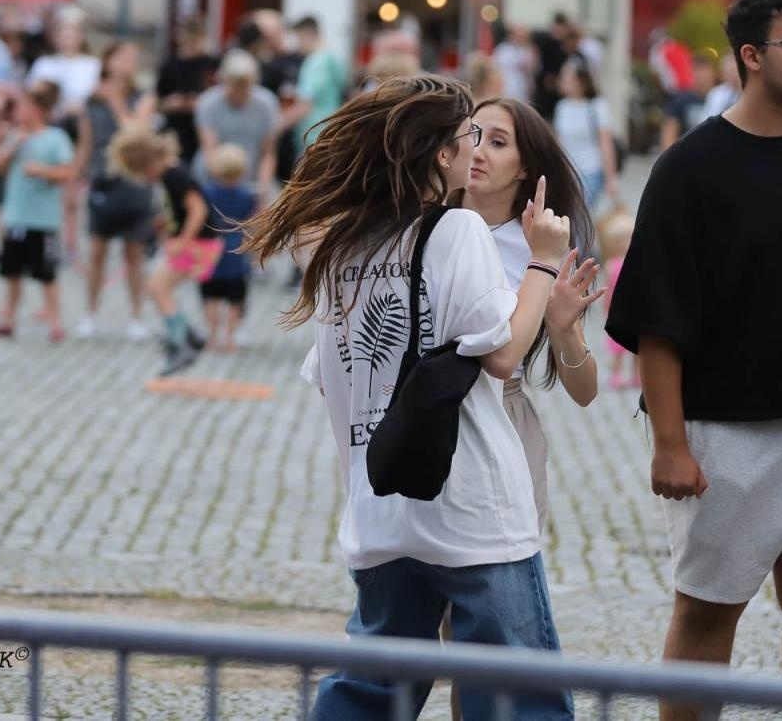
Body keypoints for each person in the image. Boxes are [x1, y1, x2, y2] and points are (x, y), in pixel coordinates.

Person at [244, 74, 574, 721]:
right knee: (515, 701)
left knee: (370, 694)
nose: (474, 147)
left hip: (381, 507)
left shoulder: (343, 247)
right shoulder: (457, 231)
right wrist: (542, 261)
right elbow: (503, 352)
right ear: (443, 156)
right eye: (468, 136)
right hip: (472, 509)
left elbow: (329, 375)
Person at [605, 0, 782, 721]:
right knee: (703, 621)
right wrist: (669, 444)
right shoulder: (690, 168)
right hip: (727, 434)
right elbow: (660, 320)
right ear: (751, 56)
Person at [463, 96, 601, 527]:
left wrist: (563, 329)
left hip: (502, 416)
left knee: (503, 576)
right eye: (472, 135)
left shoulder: (540, 246)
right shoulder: (424, 224)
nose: (479, 149)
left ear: (524, 167)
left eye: (498, 142)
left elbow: (585, 390)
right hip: (426, 412)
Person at [108, 125, 212, 376]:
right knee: (157, 286)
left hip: (200, 243)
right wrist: (168, 225)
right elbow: (182, 209)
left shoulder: (174, 175)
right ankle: (188, 334)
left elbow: (198, 209)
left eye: (142, 172)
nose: (145, 178)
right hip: (197, 241)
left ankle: (182, 343)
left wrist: (183, 240)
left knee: (157, 287)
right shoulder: (169, 174)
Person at [77, 42, 158, 342]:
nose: (127, 63)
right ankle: (90, 313)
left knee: (134, 252)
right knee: (97, 251)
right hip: (103, 180)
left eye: (132, 58)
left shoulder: (142, 97)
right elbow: (85, 144)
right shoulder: (91, 101)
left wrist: (114, 101)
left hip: (134, 182)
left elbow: (135, 130)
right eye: (122, 57)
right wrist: (74, 181)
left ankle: (136, 316)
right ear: (108, 60)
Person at [0, 81, 77, 342]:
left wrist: (43, 171)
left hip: (44, 220)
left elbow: (68, 172)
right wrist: (14, 145)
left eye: (23, 107)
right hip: (16, 217)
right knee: (12, 273)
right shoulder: (15, 137)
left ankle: (55, 321)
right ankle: (8, 319)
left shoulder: (55, 139)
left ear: (38, 110)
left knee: (47, 275)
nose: (18, 112)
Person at [27, 4, 103, 260]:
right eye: (64, 32)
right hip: (52, 129)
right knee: (50, 189)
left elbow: (95, 97)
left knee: (74, 191)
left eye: (73, 32)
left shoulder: (91, 65)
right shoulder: (45, 64)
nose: (68, 38)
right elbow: (34, 96)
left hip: (78, 130)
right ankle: (48, 240)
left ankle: (70, 244)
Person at [194, 49, 279, 203]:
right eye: (235, 85)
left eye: (244, 85)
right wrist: (229, 188)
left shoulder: (267, 103)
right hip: (215, 179)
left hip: (251, 181)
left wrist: (263, 189)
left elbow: (268, 152)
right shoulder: (207, 102)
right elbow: (209, 149)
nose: (240, 90)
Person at [198, 143, 256, 353]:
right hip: (236, 249)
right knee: (235, 299)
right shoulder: (246, 194)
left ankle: (212, 335)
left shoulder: (207, 192)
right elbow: (251, 218)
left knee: (211, 296)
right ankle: (230, 337)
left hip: (210, 248)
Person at [551, 58, 619, 205]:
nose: (562, 81)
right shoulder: (561, 107)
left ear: (580, 82)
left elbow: (605, 142)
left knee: (580, 214)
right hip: (568, 172)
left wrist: (611, 177)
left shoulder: (597, 106)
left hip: (591, 170)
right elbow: (558, 141)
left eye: (567, 78)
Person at [156, 16, 218, 164]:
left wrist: (201, 104)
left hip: (205, 130)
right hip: (178, 128)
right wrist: (173, 103)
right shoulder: (170, 65)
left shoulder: (212, 63)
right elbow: (159, 102)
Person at [290, 15, 349, 154]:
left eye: (298, 39)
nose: (297, 45)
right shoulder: (336, 59)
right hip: (332, 129)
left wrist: (278, 125)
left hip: (313, 134)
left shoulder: (314, 63)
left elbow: (305, 104)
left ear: (308, 35)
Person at [598, 209, 636, 389]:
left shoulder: (635, 261)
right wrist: (607, 308)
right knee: (618, 348)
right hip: (619, 310)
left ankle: (637, 375)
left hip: (634, 308)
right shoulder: (611, 265)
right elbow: (608, 289)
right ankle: (616, 373)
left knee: (637, 348)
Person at [492, 24, 535, 103]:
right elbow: (495, 67)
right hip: (505, 87)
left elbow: (531, 71)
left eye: (523, 36)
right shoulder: (503, 49)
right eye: (518, 35)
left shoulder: (528, 51)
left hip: (521, 89)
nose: (520, 38)